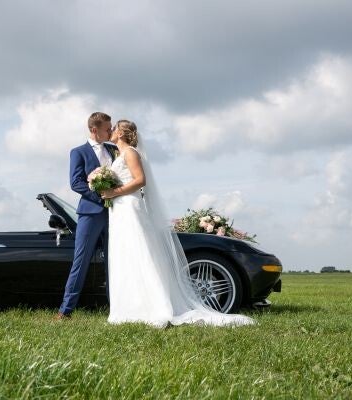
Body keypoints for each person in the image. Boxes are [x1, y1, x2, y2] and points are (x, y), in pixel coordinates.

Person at [100, 120, 255, 327]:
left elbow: (140, 180)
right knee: (126, 255)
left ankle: (151, 306)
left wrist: (114, 192)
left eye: (114, 128)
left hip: (130, 207)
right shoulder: (119, 154)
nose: (110, 130)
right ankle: (130, 306)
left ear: (121, 133)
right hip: (119, 209)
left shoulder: (130, 152)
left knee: (138, 252)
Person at [56, 112, 117, 319]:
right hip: (91, 213)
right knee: (80, 261)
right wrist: (101, 196)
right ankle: (65, 310)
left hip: (116, 213)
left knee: (115, 261)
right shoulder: (78, 152)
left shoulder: (114, 150)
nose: (111, 131)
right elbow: (76, 183)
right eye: (107, 128)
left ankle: (117, 309)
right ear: (94, 129)